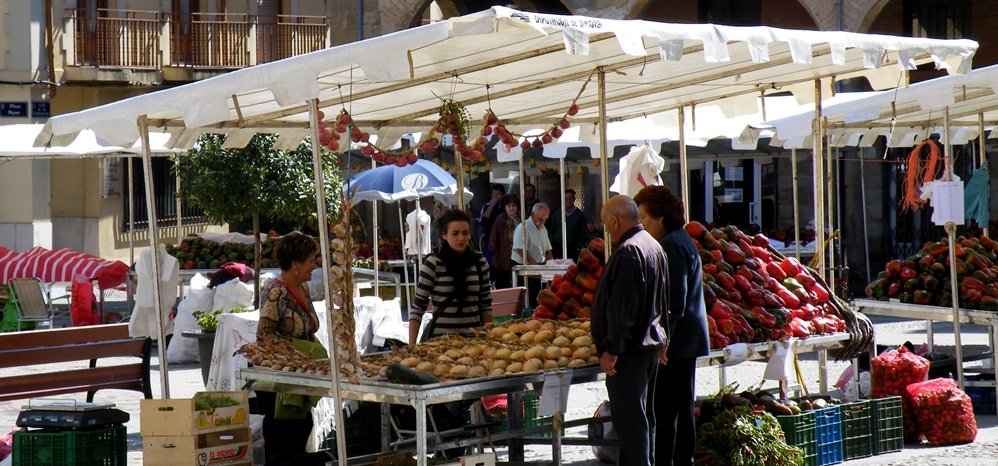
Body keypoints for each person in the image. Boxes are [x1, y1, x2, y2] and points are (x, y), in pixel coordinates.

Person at [591, 195, 669, 466]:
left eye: (606, 224)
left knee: (632, 424)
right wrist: (663, 338)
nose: (607, 231)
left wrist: (612, 348)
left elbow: (622, 308)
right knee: (644, 420)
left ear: (614, 221)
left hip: (630, 351)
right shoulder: (653, 245)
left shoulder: (628, 251)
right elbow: (663, 300)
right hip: (647, 347)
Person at [634, 186, 709, 466]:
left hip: (677, 343)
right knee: (679, 409)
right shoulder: (679, 239)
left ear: (661, 217)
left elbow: (674, 301)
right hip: (685, 340)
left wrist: (663, 339)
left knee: (667, 412)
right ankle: (682, 459)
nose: (641, 224)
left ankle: (671, 460)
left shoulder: (672, 245)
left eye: (645, 217)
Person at [255, 232, 322, 466]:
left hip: (299, 376)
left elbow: (307, 329)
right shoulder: (276, 291)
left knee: (302, 429)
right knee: (282, 442)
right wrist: (297, 354)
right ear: (295, 264)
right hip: (279, 381)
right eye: (311, 260)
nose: (315, 265)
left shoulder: (303, 289)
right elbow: (265, 335)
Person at [409, 209, 493, 345]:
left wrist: (488, 339)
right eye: (455, 233)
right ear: (444, 235)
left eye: (465, 233)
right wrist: (411, 346)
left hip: (475, 343)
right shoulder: (433, 264)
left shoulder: (479, 262)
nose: (461, 238)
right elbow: (418, 307)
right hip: (440, 344)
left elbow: (485, 304)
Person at [511, 202, 553, 308]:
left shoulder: (543, 229)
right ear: (533, 214)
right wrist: (536, 266)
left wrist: (550, 269)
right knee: (526, 303)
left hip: (538, 268)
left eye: (544, 219)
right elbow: (520, 250)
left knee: (539, 302)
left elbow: (548, 250)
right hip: (525, 270)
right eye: (539, 219)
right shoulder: (523, 228)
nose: (541, 222)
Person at [548, 188, 589, 260]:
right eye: (566, 198)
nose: (568, 200)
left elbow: (582, 232)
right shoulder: (557, 213)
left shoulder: (580, 215)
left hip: (572, 248)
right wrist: (551, 244)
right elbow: (552, 229)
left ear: (574, 199)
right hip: (557, 248)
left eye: (570, 198)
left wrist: (579, 247)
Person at [488, 194, 519, 290]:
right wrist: (497, 258)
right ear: (505, 207)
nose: (511, 208)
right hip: (503, 261)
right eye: (508, 206)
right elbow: (493, 241)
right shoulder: (500, 220)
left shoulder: (521, 218)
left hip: (519, 259)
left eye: (513, 206)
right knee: (504, 288)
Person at [478, 184, 505, 282]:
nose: (496, 196)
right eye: (494, 194)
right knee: (489, 266)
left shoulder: (505, 207)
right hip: (490, 242)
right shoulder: (486, 206)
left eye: (498, 194)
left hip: (503, 243)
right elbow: (482, 221)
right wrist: (491, 206)